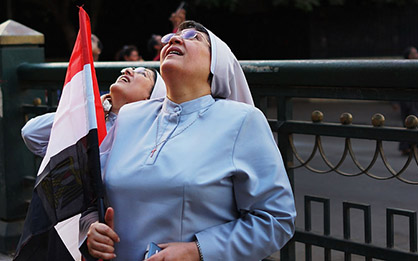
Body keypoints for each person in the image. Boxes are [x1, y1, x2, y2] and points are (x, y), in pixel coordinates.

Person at [87, 21, 296, 260]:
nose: (174, 40)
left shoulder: (242, 121)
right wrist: (91, 229)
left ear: (216, 65)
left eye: (193, 37)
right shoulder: (129, 116)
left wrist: (197, 250)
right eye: (171, 37)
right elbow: (94, 192)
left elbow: (276, 220)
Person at [21, 67, 166, 157]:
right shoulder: (89, 123)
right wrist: (88, 111)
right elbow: (32, 133)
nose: (127, 70)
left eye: (143, 73)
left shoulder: (145, 141)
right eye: (133, 69)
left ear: (149, 99)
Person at [398, 46, 418, 158]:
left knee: (410, 123)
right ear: (409, 56)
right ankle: (416, 148)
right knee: (414, 122)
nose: (417, 54)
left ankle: (406, 147)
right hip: (409, 99)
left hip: (416, 98)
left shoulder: (417, 65)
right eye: (415, 53)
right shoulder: (405, 67)